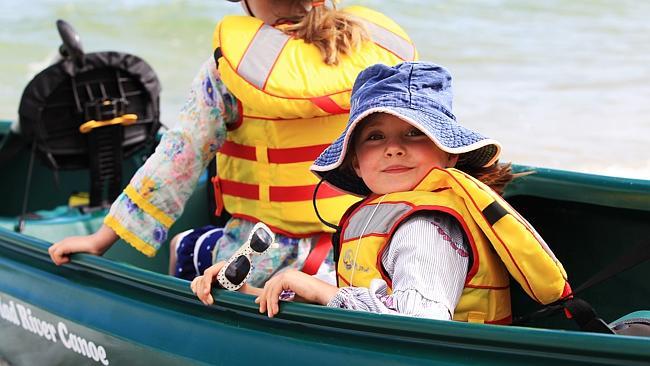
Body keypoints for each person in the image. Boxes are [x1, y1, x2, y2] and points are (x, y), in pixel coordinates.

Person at [48, 0, 417, 287]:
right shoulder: (369, 55)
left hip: (258, 256)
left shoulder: (228, 71)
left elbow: (178, 159)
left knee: (186, 246)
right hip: (360, 249)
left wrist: (100, 239)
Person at [195, 62, 570, 322]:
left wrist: (318, 290)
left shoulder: (426, 227)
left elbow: (422, 322)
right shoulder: (390, 214)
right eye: (375, 137)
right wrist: (247, 292)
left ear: (448, 153)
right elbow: (361, 295)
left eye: (414, 132)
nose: (393, 148)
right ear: (355, 162)